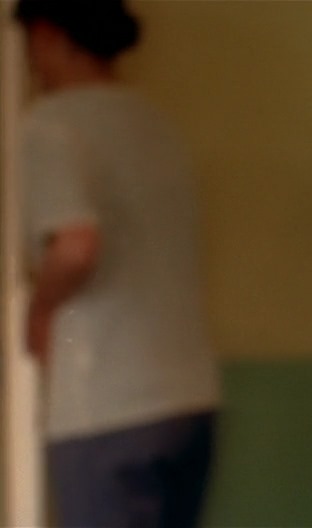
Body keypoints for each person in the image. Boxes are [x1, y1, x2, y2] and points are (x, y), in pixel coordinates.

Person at [15, 1, 221, 526]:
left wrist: (39, 309)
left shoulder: (51, 125)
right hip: (190, 400)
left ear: (48, 36)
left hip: (106, 407)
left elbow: (77, 244)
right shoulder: (159, 125)